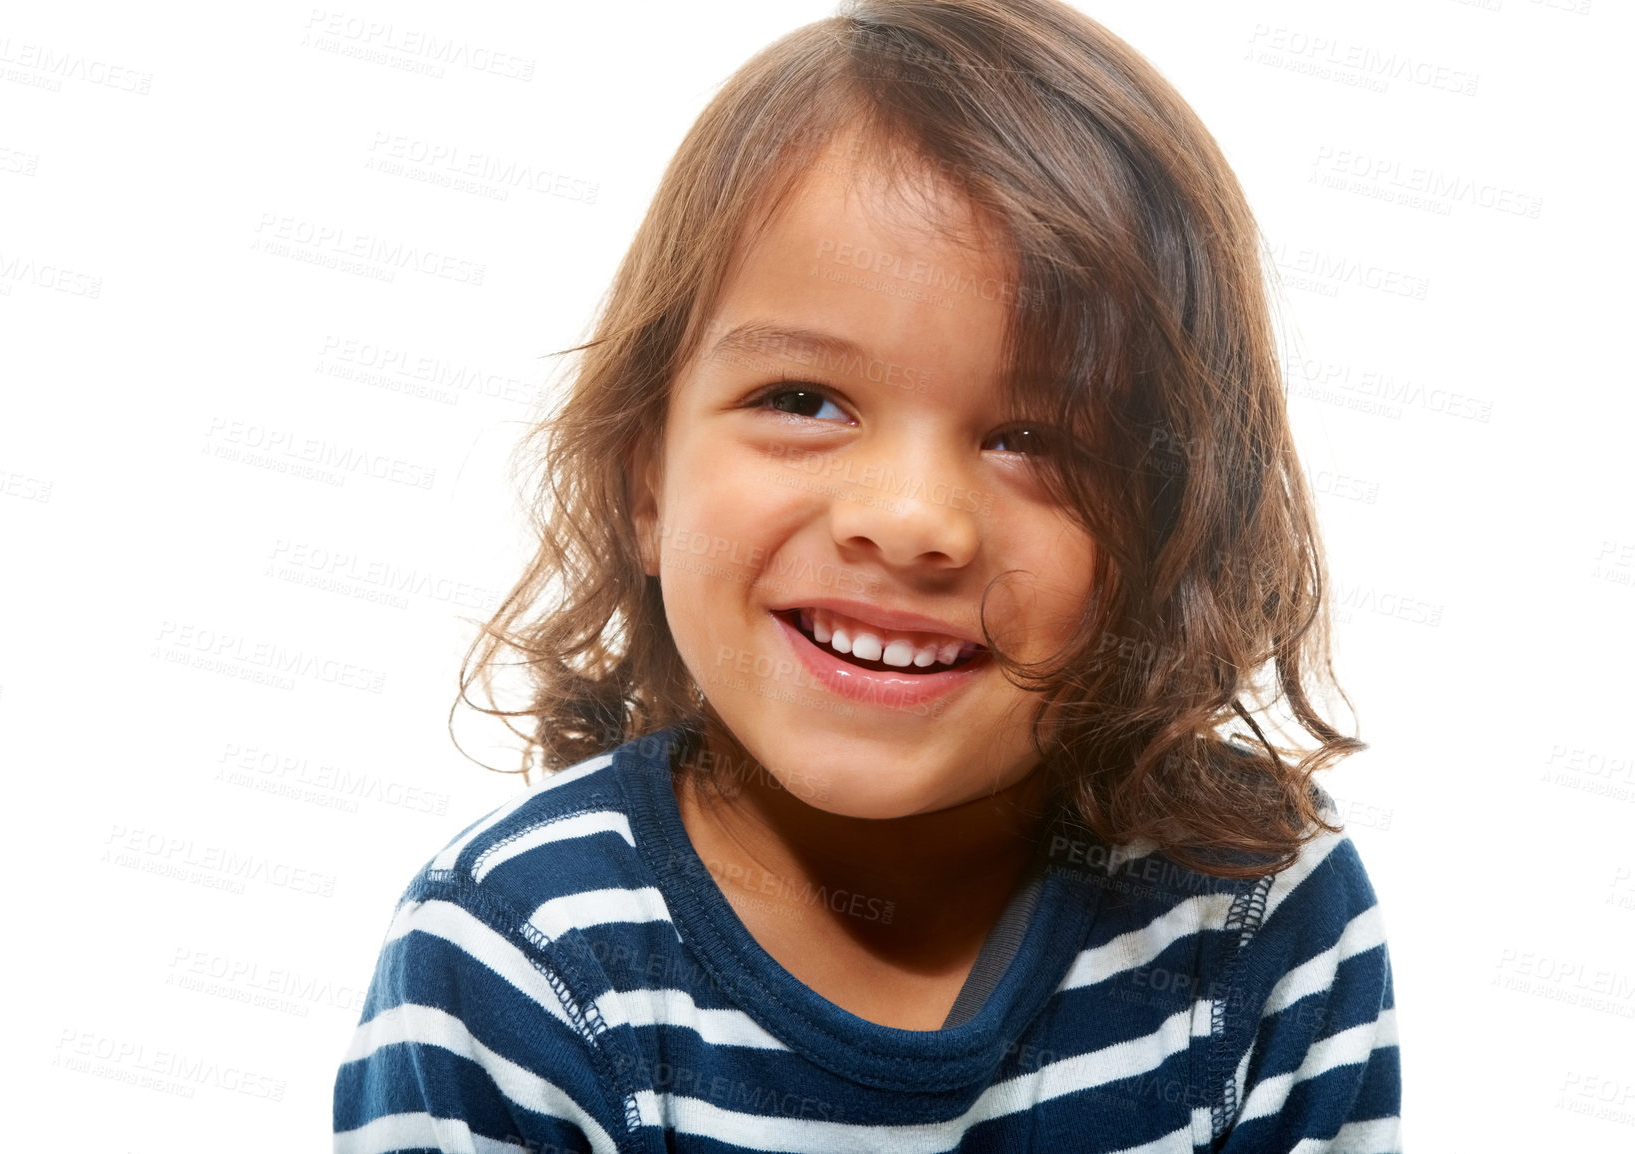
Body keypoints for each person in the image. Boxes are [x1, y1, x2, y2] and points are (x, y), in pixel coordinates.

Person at [332, 1, 1401, 1149]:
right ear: (648, 478)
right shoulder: (518, 947)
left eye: (1036, 437)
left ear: (1177, 520)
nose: (909, 522)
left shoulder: (1253, 905)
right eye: (802, 400)